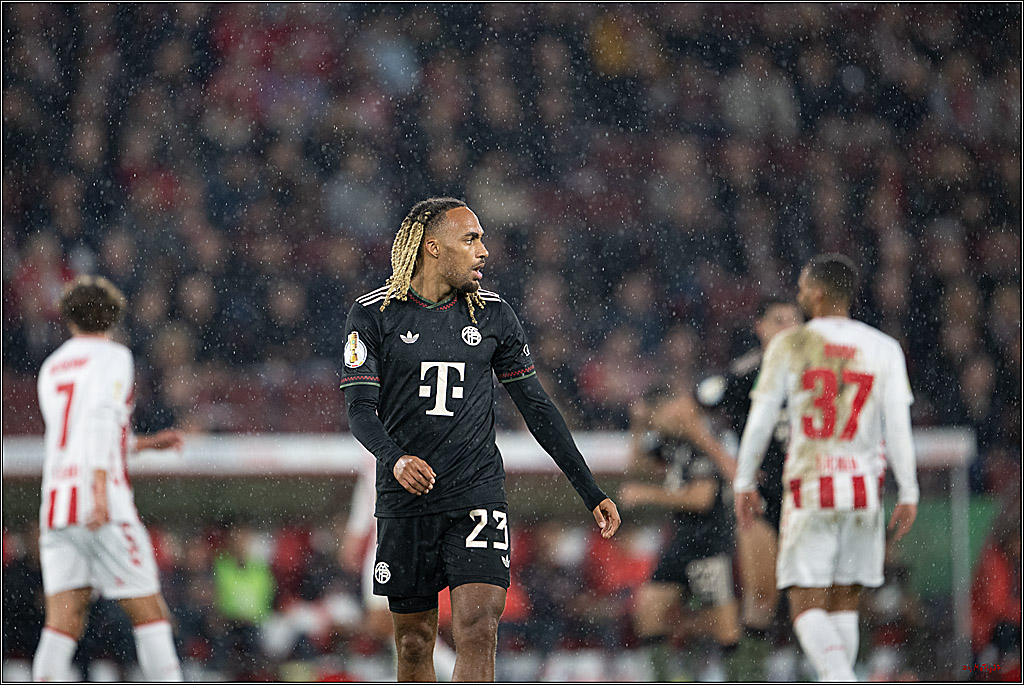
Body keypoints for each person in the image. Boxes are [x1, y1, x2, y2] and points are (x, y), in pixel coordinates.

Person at [339, 197, 621, 682]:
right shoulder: (373, 316)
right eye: (471, 239)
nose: (483, 251)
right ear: (432, 247)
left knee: (478, 625)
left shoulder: (494, 316)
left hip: (476, 493)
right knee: (411, 642)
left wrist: (589, 489)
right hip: (407, 499)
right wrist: (396, 459)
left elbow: (537, 408)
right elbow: (360, 411)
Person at [734, 254, 919, 681]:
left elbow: (762, 420)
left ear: (817, 293)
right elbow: (899, 429)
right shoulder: (884, 348)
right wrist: (908, 490)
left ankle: (841, 678)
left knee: (805, 608)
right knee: (843, 604)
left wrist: (744, 480)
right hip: (862, 490)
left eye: (801, 289)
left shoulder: (791, 344)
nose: (798, 297)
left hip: (811, 486)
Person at [32, 275, 184, 682]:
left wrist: (146, 445)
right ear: (113, 317)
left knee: (64, 617)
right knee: (149, 611)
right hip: (101, 502)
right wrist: (99, 492)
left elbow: (80, 434)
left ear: (68, 318)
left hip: (57, 504)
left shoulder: (52, 366)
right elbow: (99, 422)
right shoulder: (114, 358)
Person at [618, 384, 745, 681]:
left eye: (655, 414)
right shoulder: (672, 443)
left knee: (725, 628)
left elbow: (701, 499)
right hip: (682, 541)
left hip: (708, 543)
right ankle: (668, 677)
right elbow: (637, 465)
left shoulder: (701, 443)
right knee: (648, 613)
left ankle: (741, 675)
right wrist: (637, 426)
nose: (654, 421)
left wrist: (647, 495)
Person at [698, 297, 801, 660]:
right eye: (779, 319)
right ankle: (747, 672)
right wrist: (734, 464)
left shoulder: (816, 372)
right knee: (761, 594)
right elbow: (703, 405)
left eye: (794, 319)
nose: (788, 327)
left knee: (812, 592)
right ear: (760, 326)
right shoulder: (744, 375)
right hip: (761, 491)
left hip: (807, 490)